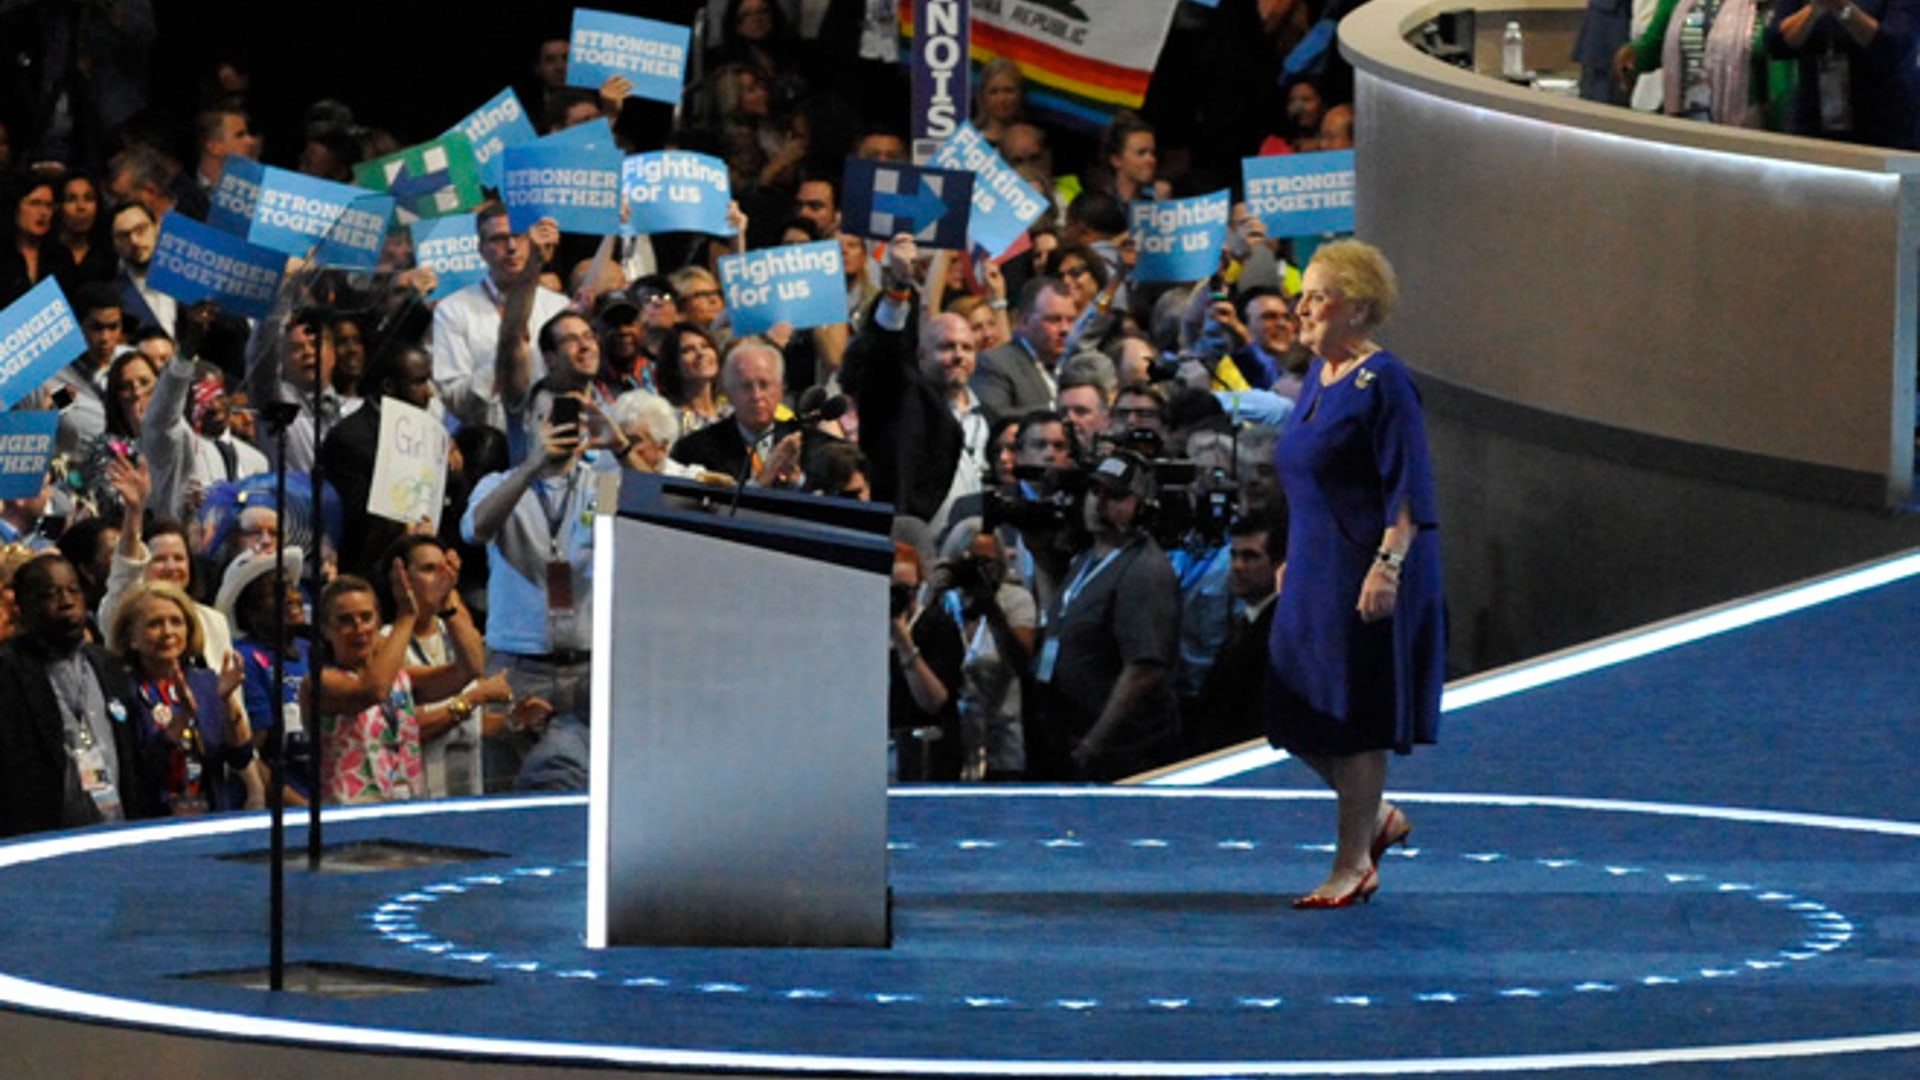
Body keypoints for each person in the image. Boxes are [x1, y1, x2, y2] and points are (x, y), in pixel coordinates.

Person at [1266, 240, 1444, 910]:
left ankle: (1352, 865)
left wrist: (1387, 566)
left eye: (1317, 297)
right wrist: (1293, 554)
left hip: (1366, 567)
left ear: (1359, 310)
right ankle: (1376, 816)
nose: (1301, 308)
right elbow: (1310, 477)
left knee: (1355, 714)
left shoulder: (1385, 382)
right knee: (1292, 709)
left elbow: (1409, 485)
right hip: (1314, 567)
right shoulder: (1321, 374)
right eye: (1303, 295)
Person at [1029, 450, 1181, 782]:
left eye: (1115, 496)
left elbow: (1143, 670)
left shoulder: (1144, 570)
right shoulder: (1089, 557)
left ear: (1143, 508)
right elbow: (1062, 616)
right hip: (1072, 732)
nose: (1099, 503)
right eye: (1095, 491)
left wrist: (1093, 745)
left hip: (1118, 753)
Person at [0, 556, 162, 836]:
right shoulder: (7, 672)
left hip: (118, 832)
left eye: (73, 590)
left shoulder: (107, 665)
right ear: (22, 607)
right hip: (41, 839)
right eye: (50, 594)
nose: (66, 601)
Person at [311, 566, 492, 805]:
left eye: (366, 617)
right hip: (350, 814)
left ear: (377, 620)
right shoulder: (320, 681)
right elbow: (374, 691)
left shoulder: (401, 677)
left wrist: (448, 606)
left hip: (407, 807)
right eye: (345, 620)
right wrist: (407, 616)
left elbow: (470, 668)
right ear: (325, 629)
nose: (359, 628)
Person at [110, 581, 255, 814]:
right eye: (154, 624)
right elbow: (141, 770)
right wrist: (183, 717)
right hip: (151, 821)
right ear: (132, 638)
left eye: (176, 622)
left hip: (211, 816)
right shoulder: (121, 690)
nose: (168, 632)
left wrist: (227, 701)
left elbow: (241, 757)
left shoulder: (207, 682)